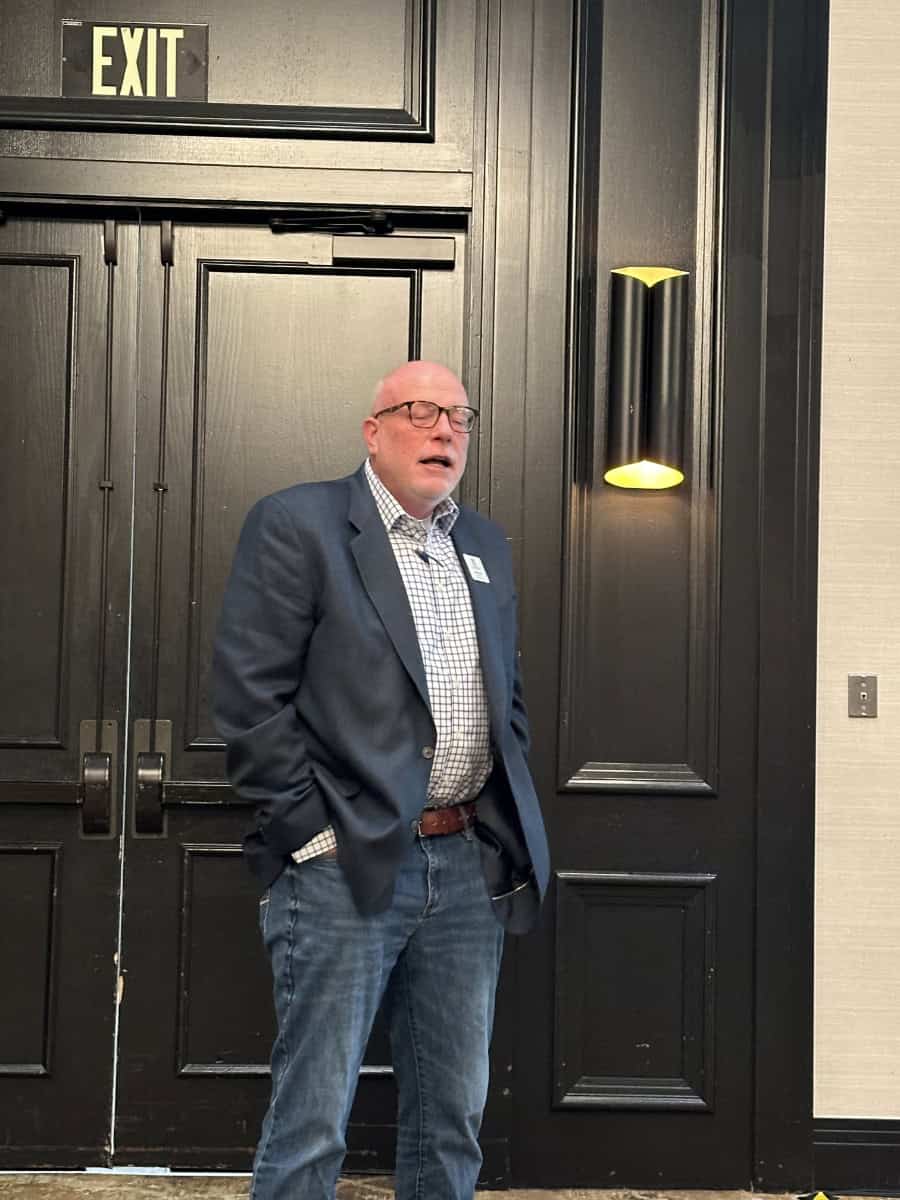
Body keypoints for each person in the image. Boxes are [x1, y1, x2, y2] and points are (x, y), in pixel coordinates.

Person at [212, 360, 550, 1200]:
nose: (445, 432)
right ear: (373, 431)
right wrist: (310, 833)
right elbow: (249, 696)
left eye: (460, 418)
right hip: (345, 860)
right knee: (313, 1120)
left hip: (465, 862)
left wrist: (497, 813)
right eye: (421, 412)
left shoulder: (482, 543)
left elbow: (503, 693)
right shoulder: (300, 524)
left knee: (452, 1117)